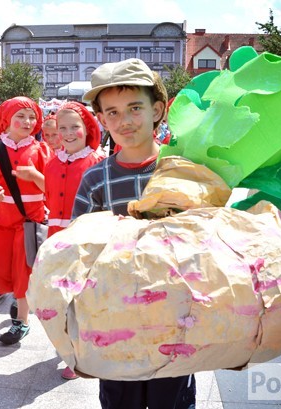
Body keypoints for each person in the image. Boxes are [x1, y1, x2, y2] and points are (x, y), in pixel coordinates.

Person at [73, 58, 196, 409]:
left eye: (135, 108)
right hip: (116, 318)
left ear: (158, 110)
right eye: (111, 112)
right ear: (101, 119)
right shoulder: (95, 180)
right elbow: (78, 255)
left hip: (173, 317)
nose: (124, 121)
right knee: (118, 401)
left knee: (171, 400)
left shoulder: (182, 170)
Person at [0, 96, 51, 344]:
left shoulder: (41, 150)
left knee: (23, 271)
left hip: (30, 220)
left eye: (31, 117)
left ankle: (21, 321)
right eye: (21, 116)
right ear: (7, 120)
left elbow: (53, 187)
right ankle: (20, 304)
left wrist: (36, 175)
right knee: (1, 269)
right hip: (2, 221)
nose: (27, 122)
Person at [44, 101, 104, 380]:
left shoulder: (97, 162)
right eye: (62, 128)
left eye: (74, 127)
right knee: (62, 298)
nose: (68, 133)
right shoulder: (53, 162)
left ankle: (77, 354)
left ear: (87, 128)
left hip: (86, 240)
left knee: (81, 298)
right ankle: (70, 348)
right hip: (57, 238)